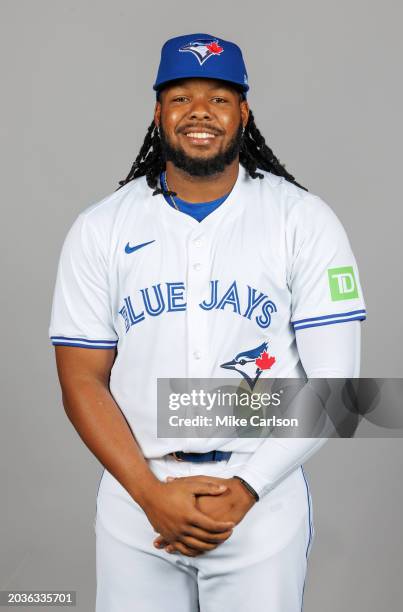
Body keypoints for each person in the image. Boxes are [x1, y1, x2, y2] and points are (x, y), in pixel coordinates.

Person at [49, 33, 367, 612]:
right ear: (158, 113)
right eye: (181, 97)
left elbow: (337, 384)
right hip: (137, 494)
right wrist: (149, 495)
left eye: (219, 98)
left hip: (259, 490)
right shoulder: (101, 228)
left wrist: (245, 489)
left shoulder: (302, 220)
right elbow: (80, 379)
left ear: (243, 113)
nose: (200, 111)